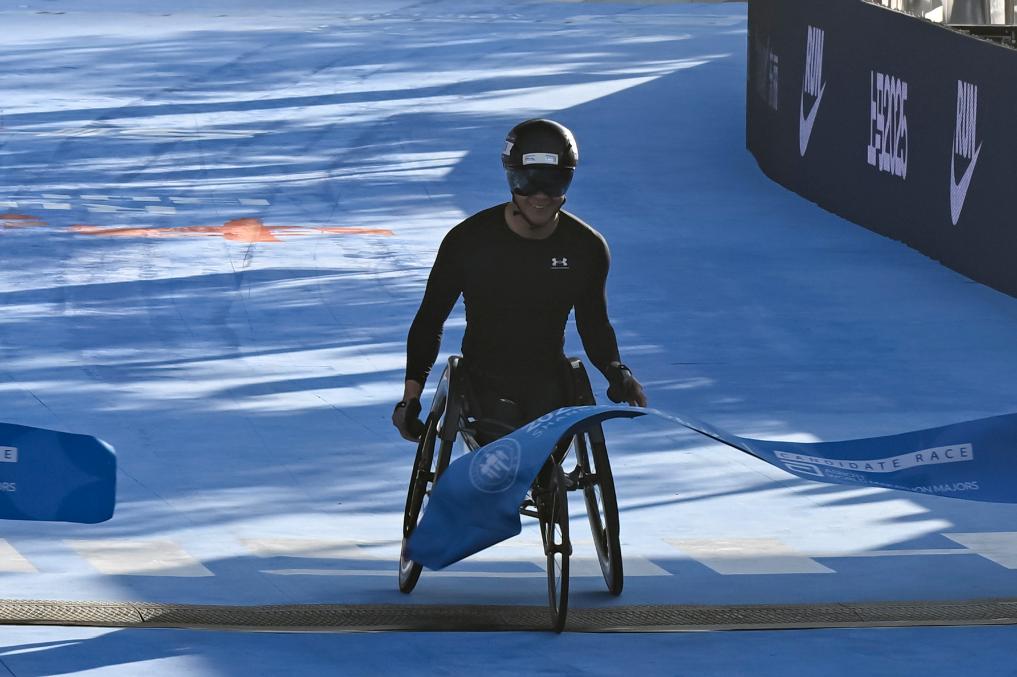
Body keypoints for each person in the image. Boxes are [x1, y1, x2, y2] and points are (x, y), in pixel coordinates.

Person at [392, 118, 647, 442]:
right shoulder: (468, 241)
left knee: (541, 440)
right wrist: (411, 397)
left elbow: (594, 324)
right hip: (479, 386)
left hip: (550, 386)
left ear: (567, 182)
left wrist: (617, 371)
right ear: (510, 178)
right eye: (527, 181)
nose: (540, 195)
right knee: (504, 432)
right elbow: (430, 319)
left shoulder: (586, 248)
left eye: (553, 183)